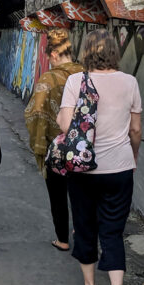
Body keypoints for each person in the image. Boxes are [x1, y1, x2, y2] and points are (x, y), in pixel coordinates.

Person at [56, 28, 141, 285]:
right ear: (115, 52)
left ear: (87, 51)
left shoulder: (76, 81)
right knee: (113, 232)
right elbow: (135, 130)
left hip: (83, 170)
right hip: (119, 169)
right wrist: (132, 157)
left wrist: (61, 120)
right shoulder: (130, 82)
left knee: (85, 226)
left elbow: (66, 124)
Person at [24, 29, 84, 252]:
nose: (49, 61)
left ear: (56, 54)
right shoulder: (85, 74)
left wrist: (43, 137)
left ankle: (62, 239)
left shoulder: (49, 78)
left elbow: (35, 112)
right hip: (83, 145)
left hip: (56, 147)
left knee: (57, 195)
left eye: (49, 56)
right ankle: (81, 231)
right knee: (80, 192)